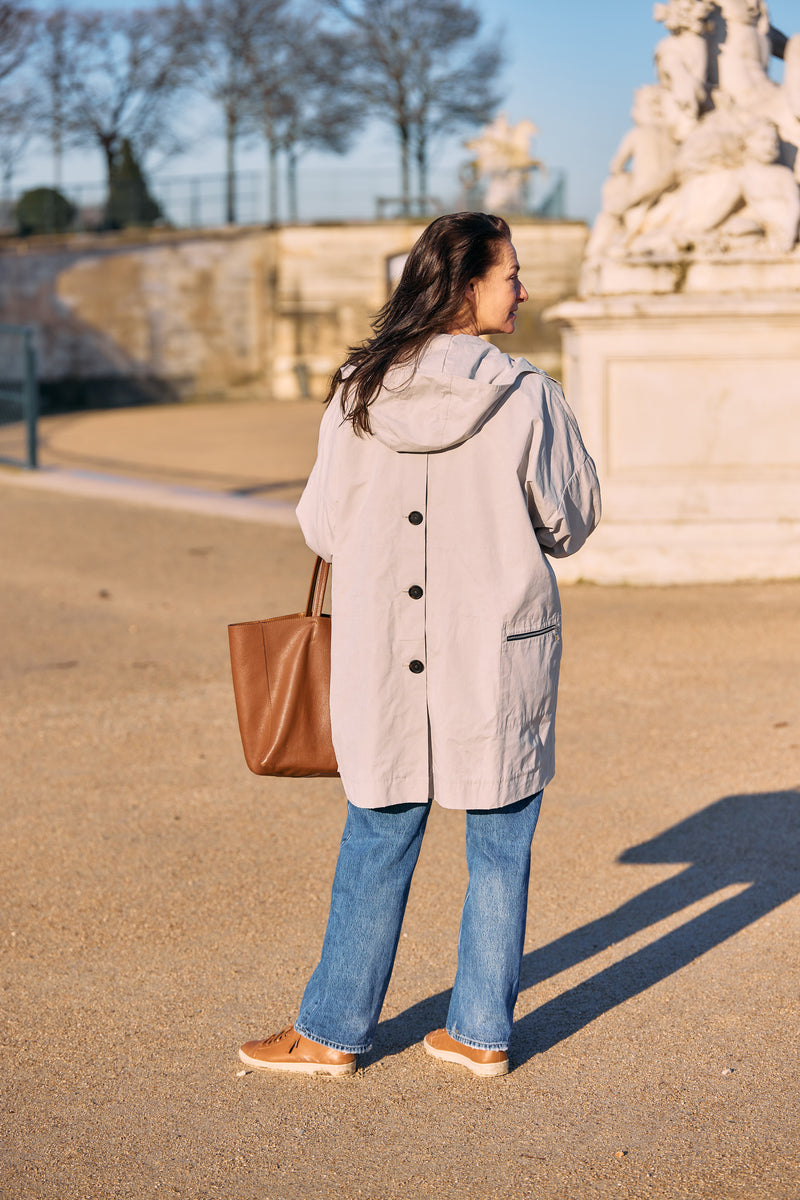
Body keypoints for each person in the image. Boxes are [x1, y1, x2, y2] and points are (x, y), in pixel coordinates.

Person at [239, 212, 601, 1078]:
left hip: (385, 648)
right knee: (501, 837)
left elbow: (324, 526)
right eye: (510, 272)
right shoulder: (527, 395)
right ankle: (481, 1033)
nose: (523, 287)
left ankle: (330, 1033)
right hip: (497, 647)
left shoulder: (359, 389)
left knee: (378, 829)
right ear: (466, 284)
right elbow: (572, 522)